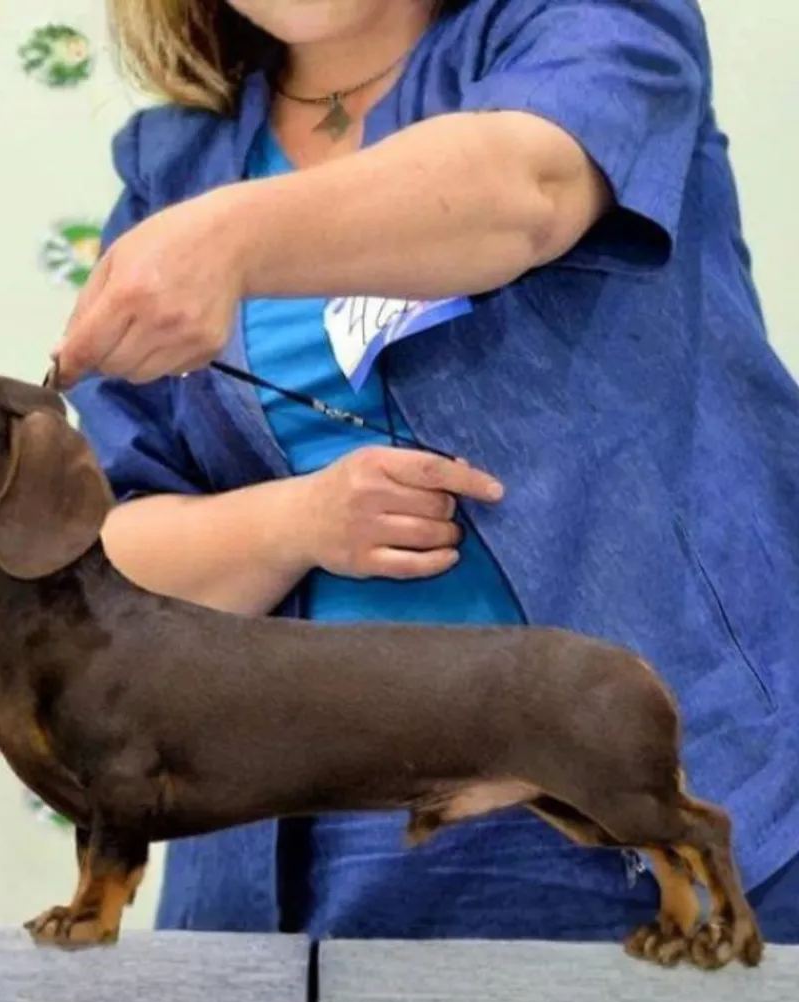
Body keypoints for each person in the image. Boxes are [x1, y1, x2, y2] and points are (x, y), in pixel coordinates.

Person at [54, 0, 799, 944]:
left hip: (625, 786)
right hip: (300, 857)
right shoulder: (170, 165)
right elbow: (105, 564)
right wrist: (297, 523)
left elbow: (522, 191)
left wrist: (233, 239)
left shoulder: (589, 25)